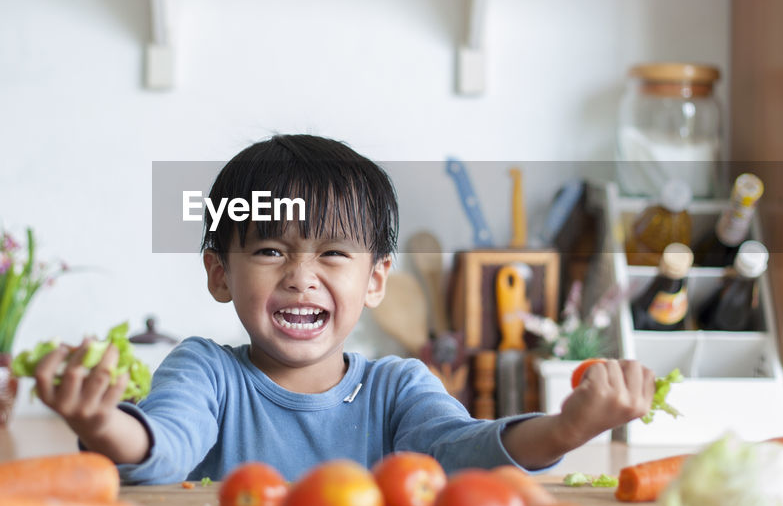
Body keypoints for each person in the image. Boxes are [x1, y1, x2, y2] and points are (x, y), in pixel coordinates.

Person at [32, 134, 654, 483]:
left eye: (333, 253)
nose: (302, 278)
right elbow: (162, 447)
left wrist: (571, 428)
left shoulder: (397, 385)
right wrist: (100, 423)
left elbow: (467, 450)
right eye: (271, 249)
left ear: (376, 279)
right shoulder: (204, 372)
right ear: (220, 273)